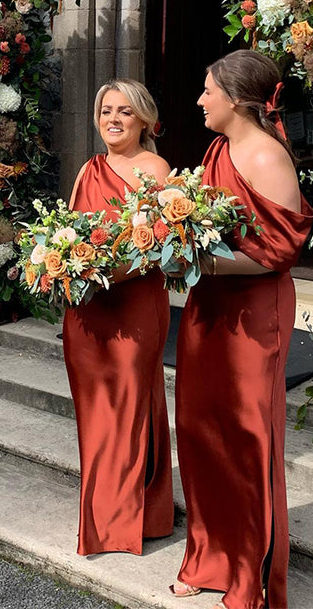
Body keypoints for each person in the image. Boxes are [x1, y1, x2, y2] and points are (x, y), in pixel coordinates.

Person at [171, 50, 313, 609]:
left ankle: (249, 573)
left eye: (207, 91)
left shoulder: (267, 156)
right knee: (202, 430)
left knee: (247, 439)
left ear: (235, 98)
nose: (200, 100)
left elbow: (280, 251)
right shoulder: (217, 148)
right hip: (210, 309)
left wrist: (198, 256)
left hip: (253, 315)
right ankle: (210, 557)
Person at [62, 79, 174, 556]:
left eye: (124, 112)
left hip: (134, 305)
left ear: (144, 120)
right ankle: (105, 513)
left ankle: (126, 519)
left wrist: (107, 272)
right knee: (94, 410)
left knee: (130, 405)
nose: (113, 119)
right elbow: (66, 233)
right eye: (106, 110)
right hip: (87, 310)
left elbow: (161, 246)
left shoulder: (154, 168)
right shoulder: (88, 169)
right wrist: (60, 266)